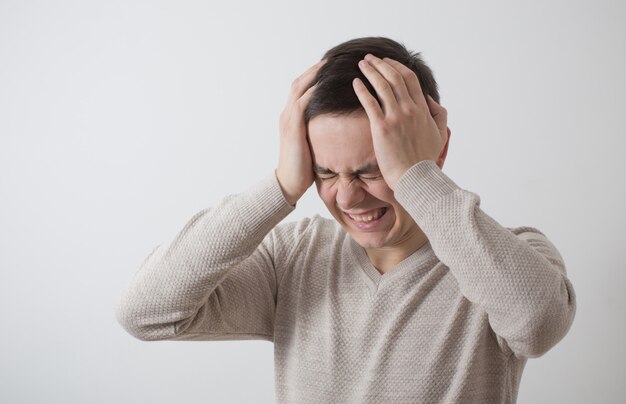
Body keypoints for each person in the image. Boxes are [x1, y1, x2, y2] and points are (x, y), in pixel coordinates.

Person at [116, 37, 576, 403]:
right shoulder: (293, 256)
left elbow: (536, 326)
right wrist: (280, 186)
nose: (349, 196)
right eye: (324, 172)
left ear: (436, 148)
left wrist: (419, 177)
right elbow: (146, 313)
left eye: (374, 170)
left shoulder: (508, 256)